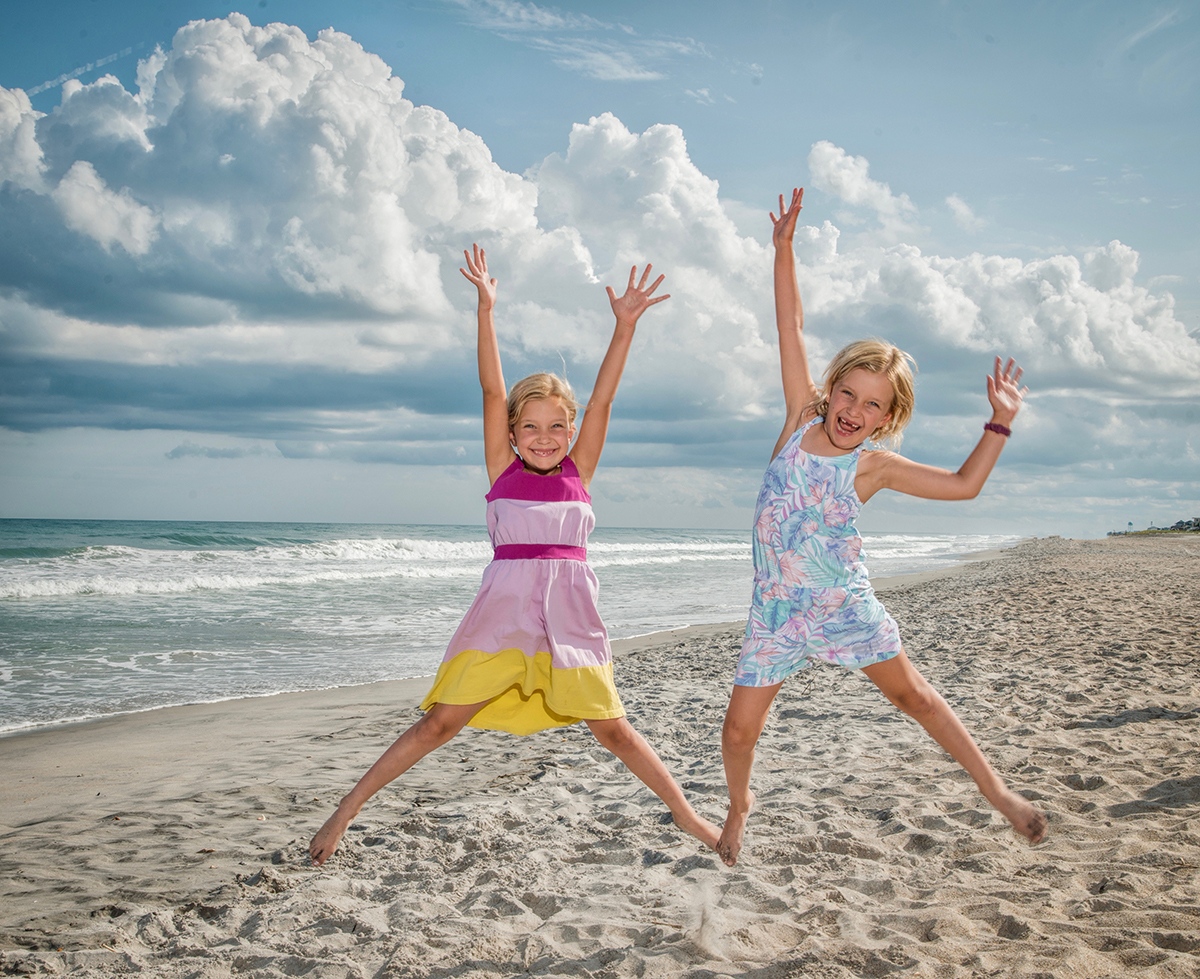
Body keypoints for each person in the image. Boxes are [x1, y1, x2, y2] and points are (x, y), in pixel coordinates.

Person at [310, 245, 721, 866]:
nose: (546, 438)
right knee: (440, 725)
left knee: (612, 728)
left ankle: (688, 814)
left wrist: (625, 326)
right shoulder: (502, 470)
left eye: (558, 426)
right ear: (511, 432)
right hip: (503, 618)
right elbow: (490, 388)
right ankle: (345, 812)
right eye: (531, 426)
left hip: (570, 622)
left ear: (572, 431)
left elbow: (604, 401)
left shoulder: (579, 471)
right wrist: (486, 310)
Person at [717, 188, 1047, 867]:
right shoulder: (795, 424)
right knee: (739, 731)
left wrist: (1001, 420)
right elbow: (790, 326)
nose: (853, 410)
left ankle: (1001, 793)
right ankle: (740, 803)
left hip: (842, 605)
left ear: (886, 417)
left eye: (872, 404)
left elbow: (963, 485)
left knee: (915, 696)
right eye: (847, 393)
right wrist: (782, 250)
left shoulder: (874, 465)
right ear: (830, 387)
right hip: (776, 611)